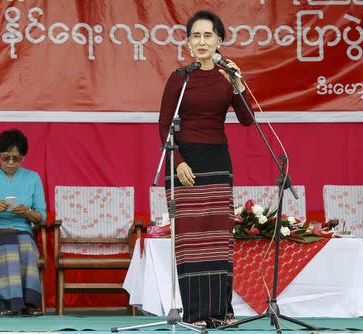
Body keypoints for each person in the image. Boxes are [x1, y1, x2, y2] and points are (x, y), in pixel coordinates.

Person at [158, 10, 255, 327]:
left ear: (219, 40)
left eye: (208, 35)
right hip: (185, 163)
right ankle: (197, 314)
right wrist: (178, 162)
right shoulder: (180, 78)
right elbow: (164, 128)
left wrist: (239, 84)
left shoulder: (227, 77)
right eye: (195, 36)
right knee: (192, 244)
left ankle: (222, 312)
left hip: (217, 162)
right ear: (187, 43)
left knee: (217, 240)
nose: (202, 41)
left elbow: (247, 119)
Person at [0, 129, 46, 317]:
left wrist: (28, 213)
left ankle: (30, 303)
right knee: (7, 243)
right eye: (6, 158)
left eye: (17, 158)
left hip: (23, 231)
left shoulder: (33, 178)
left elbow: (42, 216)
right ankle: (1, 304)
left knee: (26, 246)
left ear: (24, 157)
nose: (11, 163)